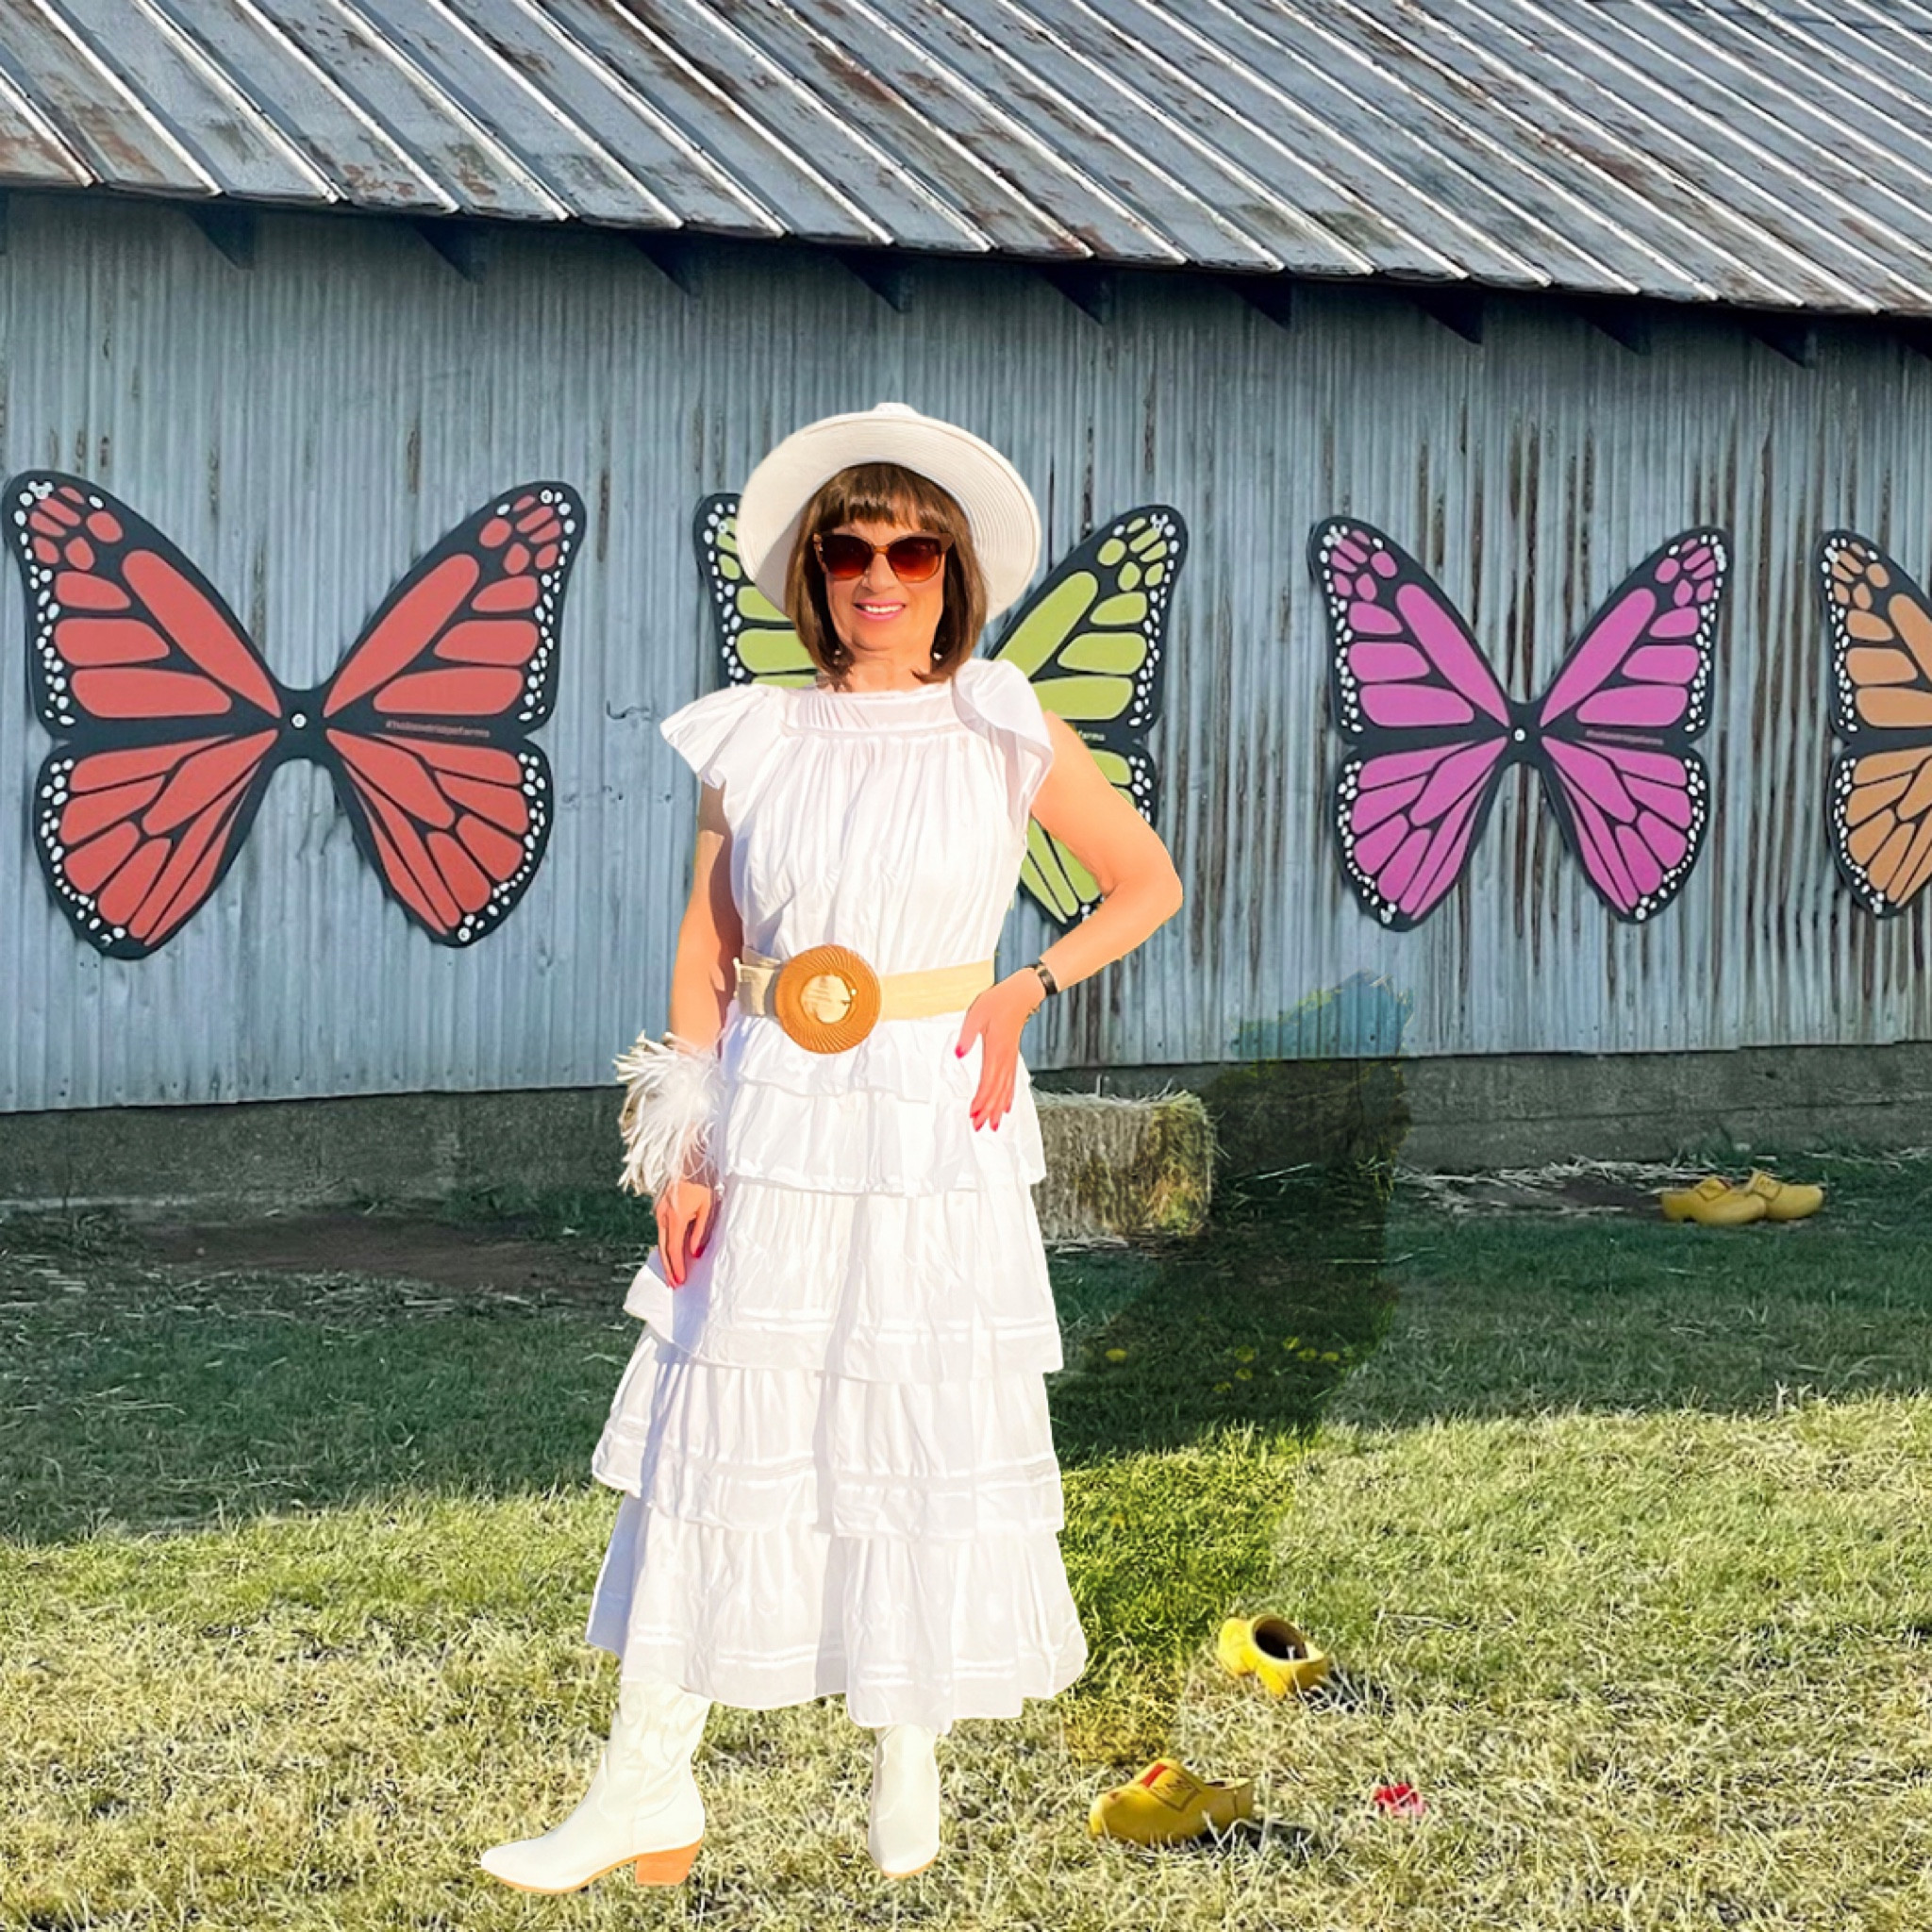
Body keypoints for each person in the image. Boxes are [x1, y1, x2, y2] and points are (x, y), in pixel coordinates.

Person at [480, 403, 1183, 1890]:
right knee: (720, 1427)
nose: (881, 573)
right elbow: (709, 942)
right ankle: (645, 1788)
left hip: (936, 1113)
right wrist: (683, 1141)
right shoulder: (754, 727)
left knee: (912, 1411)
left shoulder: (999, 717)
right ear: (814, 570)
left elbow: (1144, 883)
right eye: (850, 548)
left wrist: (1023, 987)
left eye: (911, 548)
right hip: (776, 1112)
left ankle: (905, 1741)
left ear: (951, 570)